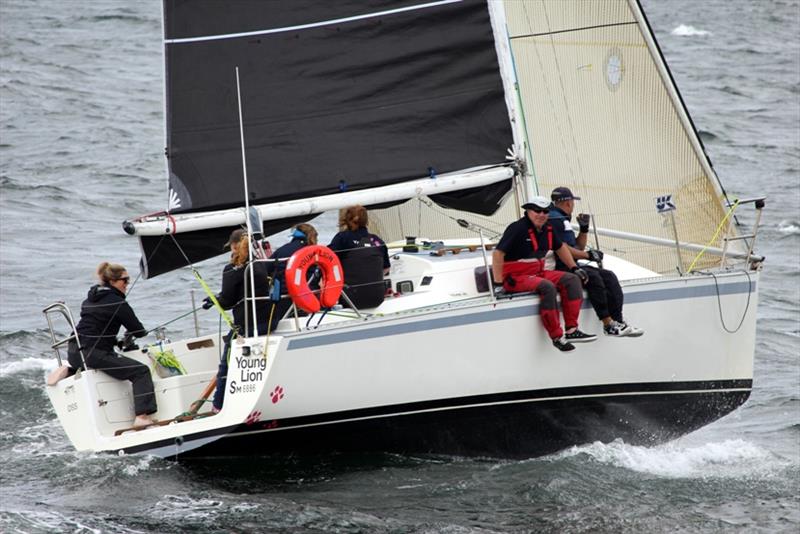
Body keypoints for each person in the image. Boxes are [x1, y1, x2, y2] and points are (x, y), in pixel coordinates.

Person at [51, 262, 156, 428]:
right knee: (141, 371)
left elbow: (96, 327)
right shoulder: (117, 303)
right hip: (92, 353)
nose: (127, 285)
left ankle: (71, 370)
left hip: (74, 351)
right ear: (112, 282)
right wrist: (135, 334)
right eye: (125, 280)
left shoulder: (89, 300)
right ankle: (142, 417)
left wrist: (116, 341)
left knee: (100, 360)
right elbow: (138, 331)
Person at [492, 196, 596, 352]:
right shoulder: (517, 228)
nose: (541, 214)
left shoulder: (547, 228)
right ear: (528, 211)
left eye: (545, 211)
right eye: (537, 211)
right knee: (547, 287)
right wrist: (498, 284)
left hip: (537, 273)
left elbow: (560, 248)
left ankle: (572, 330)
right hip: (515, 277)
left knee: (572, 280)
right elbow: (498, 254)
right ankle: (556, 337)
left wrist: (575, 268)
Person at [549, 187, 643, 337]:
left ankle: (617, 321)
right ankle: (608, 324)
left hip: (571, 263)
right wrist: (587, 255)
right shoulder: (555, 219)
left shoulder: (561, 219)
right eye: (573, 202)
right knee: (594, 278)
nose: (573, 205)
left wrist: (584, 229)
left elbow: (576, 246)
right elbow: (561, 248)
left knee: (609, 276)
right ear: (568, 203)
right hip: (562, 266)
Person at [204, 229, 270, 412]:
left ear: (233, 246)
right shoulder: (260, 264)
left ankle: (218, 406)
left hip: (246, 325)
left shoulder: (231, 269)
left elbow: (227, 301)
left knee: (225, 363)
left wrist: (213, 300)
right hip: (267, 320)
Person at [328, 205, 390, 308]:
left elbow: (328, 261)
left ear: (347, 220)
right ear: (366, 220)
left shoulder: (342, 238)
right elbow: (386, 268)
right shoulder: (378, 241)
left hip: (350, 299)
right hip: (377, 298)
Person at [265, 223, 318, 332]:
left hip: (283, 299)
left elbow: (266, 269)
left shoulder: (281, 250)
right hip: (307, 298)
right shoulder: (313, 252)